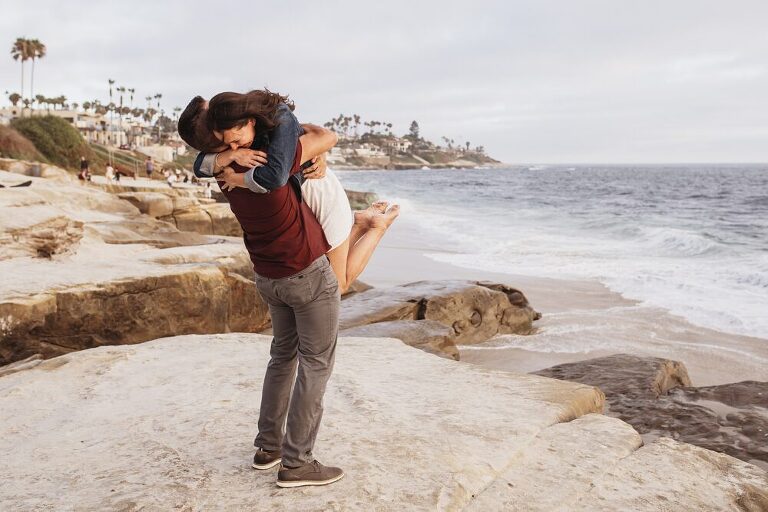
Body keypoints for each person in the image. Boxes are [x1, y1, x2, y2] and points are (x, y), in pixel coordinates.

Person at [179, 90, 396, 489]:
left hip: (268, 275)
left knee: (282, 357)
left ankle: (269, 447)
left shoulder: (222, 171)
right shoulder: (271, 160)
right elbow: (323, 136)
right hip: (306, 273)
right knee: (316, 364)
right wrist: (299, 137)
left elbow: (206, 162)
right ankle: (297, 463)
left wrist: (228, 157)